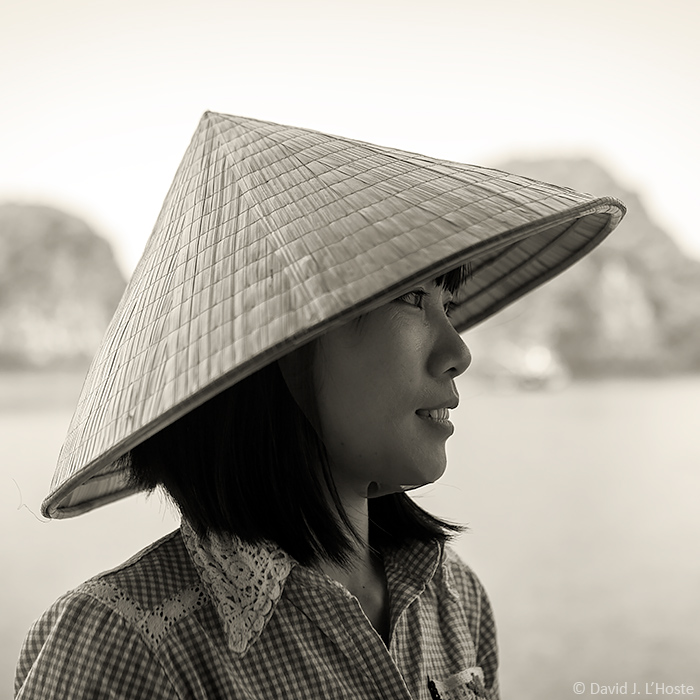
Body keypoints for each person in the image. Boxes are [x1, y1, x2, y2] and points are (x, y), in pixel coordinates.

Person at [15, 112, 625, 699]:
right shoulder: (121, 647)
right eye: (412, 298)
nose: (458, 352)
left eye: (449, 302)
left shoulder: (453, 598)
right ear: (279, 349)